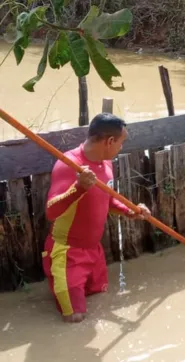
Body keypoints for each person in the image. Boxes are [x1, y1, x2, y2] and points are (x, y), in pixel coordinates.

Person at [43, 113, 151, 323]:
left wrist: (132, 211)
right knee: (75, 318)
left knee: (101, 298)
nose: (121, 148)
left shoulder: (106, 164)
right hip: (68, 254)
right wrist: (78, 188)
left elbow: (108, 200)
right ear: (109, 141)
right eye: (121, 143)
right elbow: (51, 212)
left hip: (94, 252)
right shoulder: (69, 165)